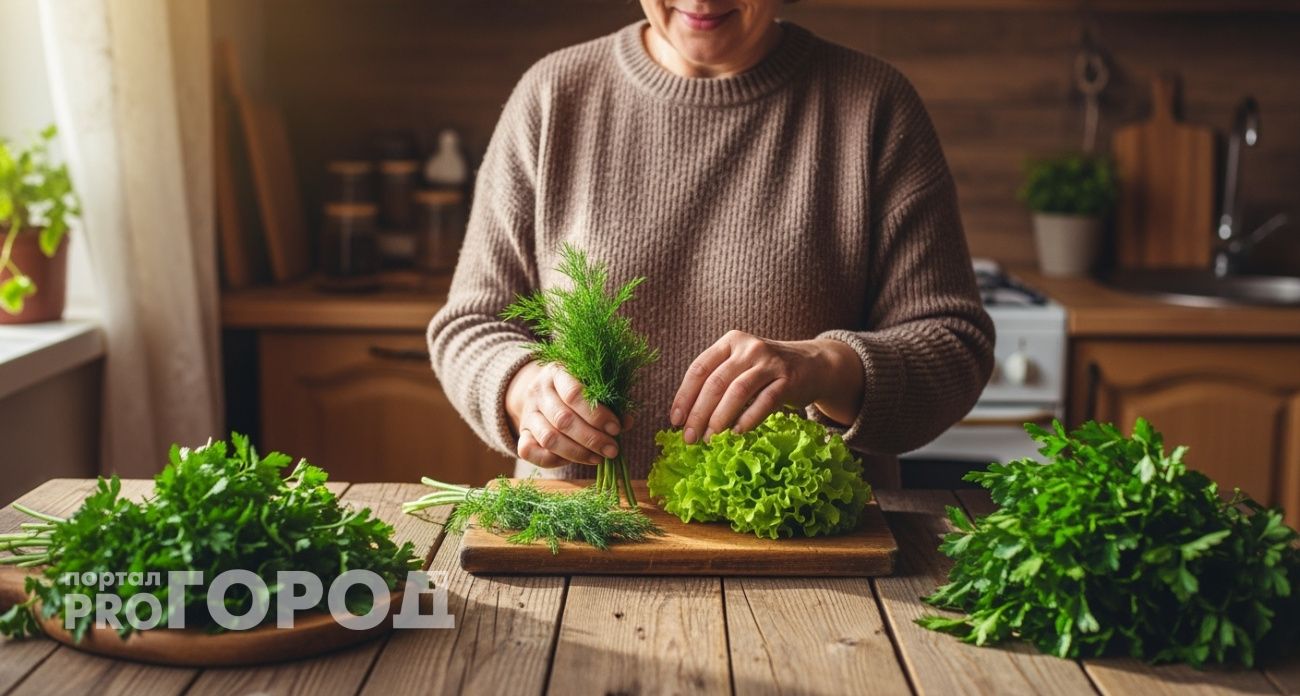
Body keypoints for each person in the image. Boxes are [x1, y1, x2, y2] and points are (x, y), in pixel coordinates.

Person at [428, 0, 995, 483]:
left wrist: (826, 366)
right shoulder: (552, 96)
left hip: (808, 564)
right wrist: (525, 389)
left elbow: (955, 345)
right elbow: (470, 325)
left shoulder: (874, 106)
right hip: (580, 544)